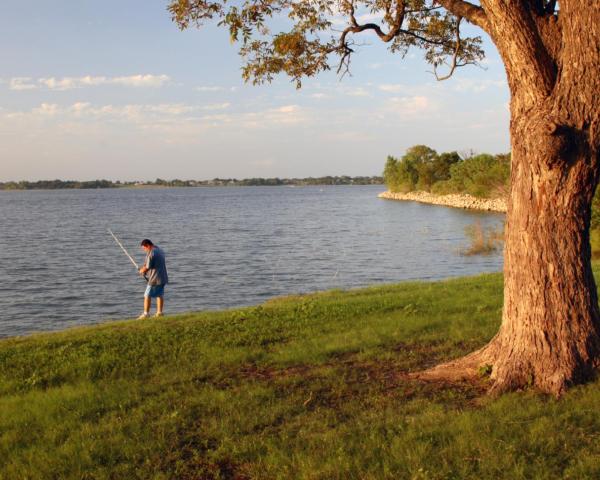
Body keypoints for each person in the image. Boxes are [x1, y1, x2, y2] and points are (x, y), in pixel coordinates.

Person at [138, 239, 169, 319]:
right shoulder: (160, 250)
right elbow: (152, 264)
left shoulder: (151, 253)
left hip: (155, 279)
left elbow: (147, 267)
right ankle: (159, 313)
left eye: (144, 248)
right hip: (163, 277)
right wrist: (144, 269)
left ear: (148, 245)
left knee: (147, 295)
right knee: (159, 295)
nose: (144, 250)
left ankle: (146, 314)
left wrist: (142, 271)